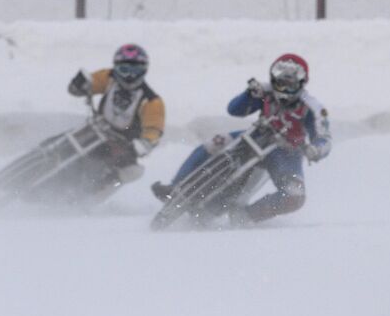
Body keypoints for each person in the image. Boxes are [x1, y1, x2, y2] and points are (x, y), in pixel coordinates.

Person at [151, 53, 331, 222]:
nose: (283, 89)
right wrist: (249, 94)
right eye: (279, 83)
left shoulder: (313, 108)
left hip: (287, 151)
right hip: (257, 135)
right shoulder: (264, 91)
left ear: (301, 83)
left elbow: (324, 137)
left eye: (289, 84)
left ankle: (247, 215)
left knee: (295, 196)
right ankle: (175, 188)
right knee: (213, 143)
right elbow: (234, 110)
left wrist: (315, 149)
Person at [67, 43, 165, 192]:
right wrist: (79, 85)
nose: (129, 75)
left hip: (123, 147)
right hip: (96, 130)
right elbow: (89, 84)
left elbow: (154, 129)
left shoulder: (151, 101)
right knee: (65, 139)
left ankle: (93, 195)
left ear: (144, 70)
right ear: (116, 68)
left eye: (135, 69)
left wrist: (144, 144)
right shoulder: (108, 77)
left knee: (133, 171)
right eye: (124, 69)